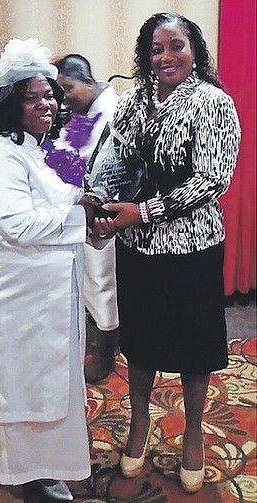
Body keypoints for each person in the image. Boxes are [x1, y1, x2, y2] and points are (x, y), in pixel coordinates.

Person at [94, 13, 241, 494]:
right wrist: (95, 199)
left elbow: (212, 180)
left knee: (193, 344)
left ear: (194, 49)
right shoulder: (131, 100)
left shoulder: (213, 102)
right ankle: (140, 426)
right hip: (137, 247)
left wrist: (145, 211)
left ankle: (194, 434)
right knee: (140, 340)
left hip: (191, 246)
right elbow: (105, 153)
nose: (165, 57)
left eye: (175, 45)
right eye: (156, 49)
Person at [0, 37, 107, 503]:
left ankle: (41, 472)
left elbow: (61, 201)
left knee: (50, 392)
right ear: (12, 105)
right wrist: (79, 216)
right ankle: (9, 483)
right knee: (17, 395)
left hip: (48, 302)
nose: (47, 102)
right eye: (34, 96)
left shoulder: (38, 150)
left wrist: (86, 207)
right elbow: (19, 223)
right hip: (15, 303)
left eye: (50, 93)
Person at [53, 54, 120, 383]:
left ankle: (107, 346)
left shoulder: (111, 111)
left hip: (108, 208)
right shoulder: (85, 111)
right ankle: (102, 336)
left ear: (89, 82)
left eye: (67, 88)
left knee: (100, 277)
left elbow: (87, 166)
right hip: (84, 206)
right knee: (91, 278)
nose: (63, 98)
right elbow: (68, 156)